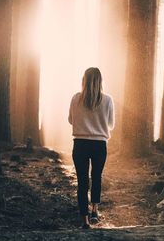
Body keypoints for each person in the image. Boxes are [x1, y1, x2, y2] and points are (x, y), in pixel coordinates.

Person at [68, 67, 115, 229]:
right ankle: (95, 209)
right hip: (99, 144)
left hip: (80, 144)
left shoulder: (76, 99)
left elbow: (70, 120)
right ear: (100, 81)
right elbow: (111, 124)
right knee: (96, 176)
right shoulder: (108, 100)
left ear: (84, 80)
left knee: (82, 181)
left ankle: (85, 220)